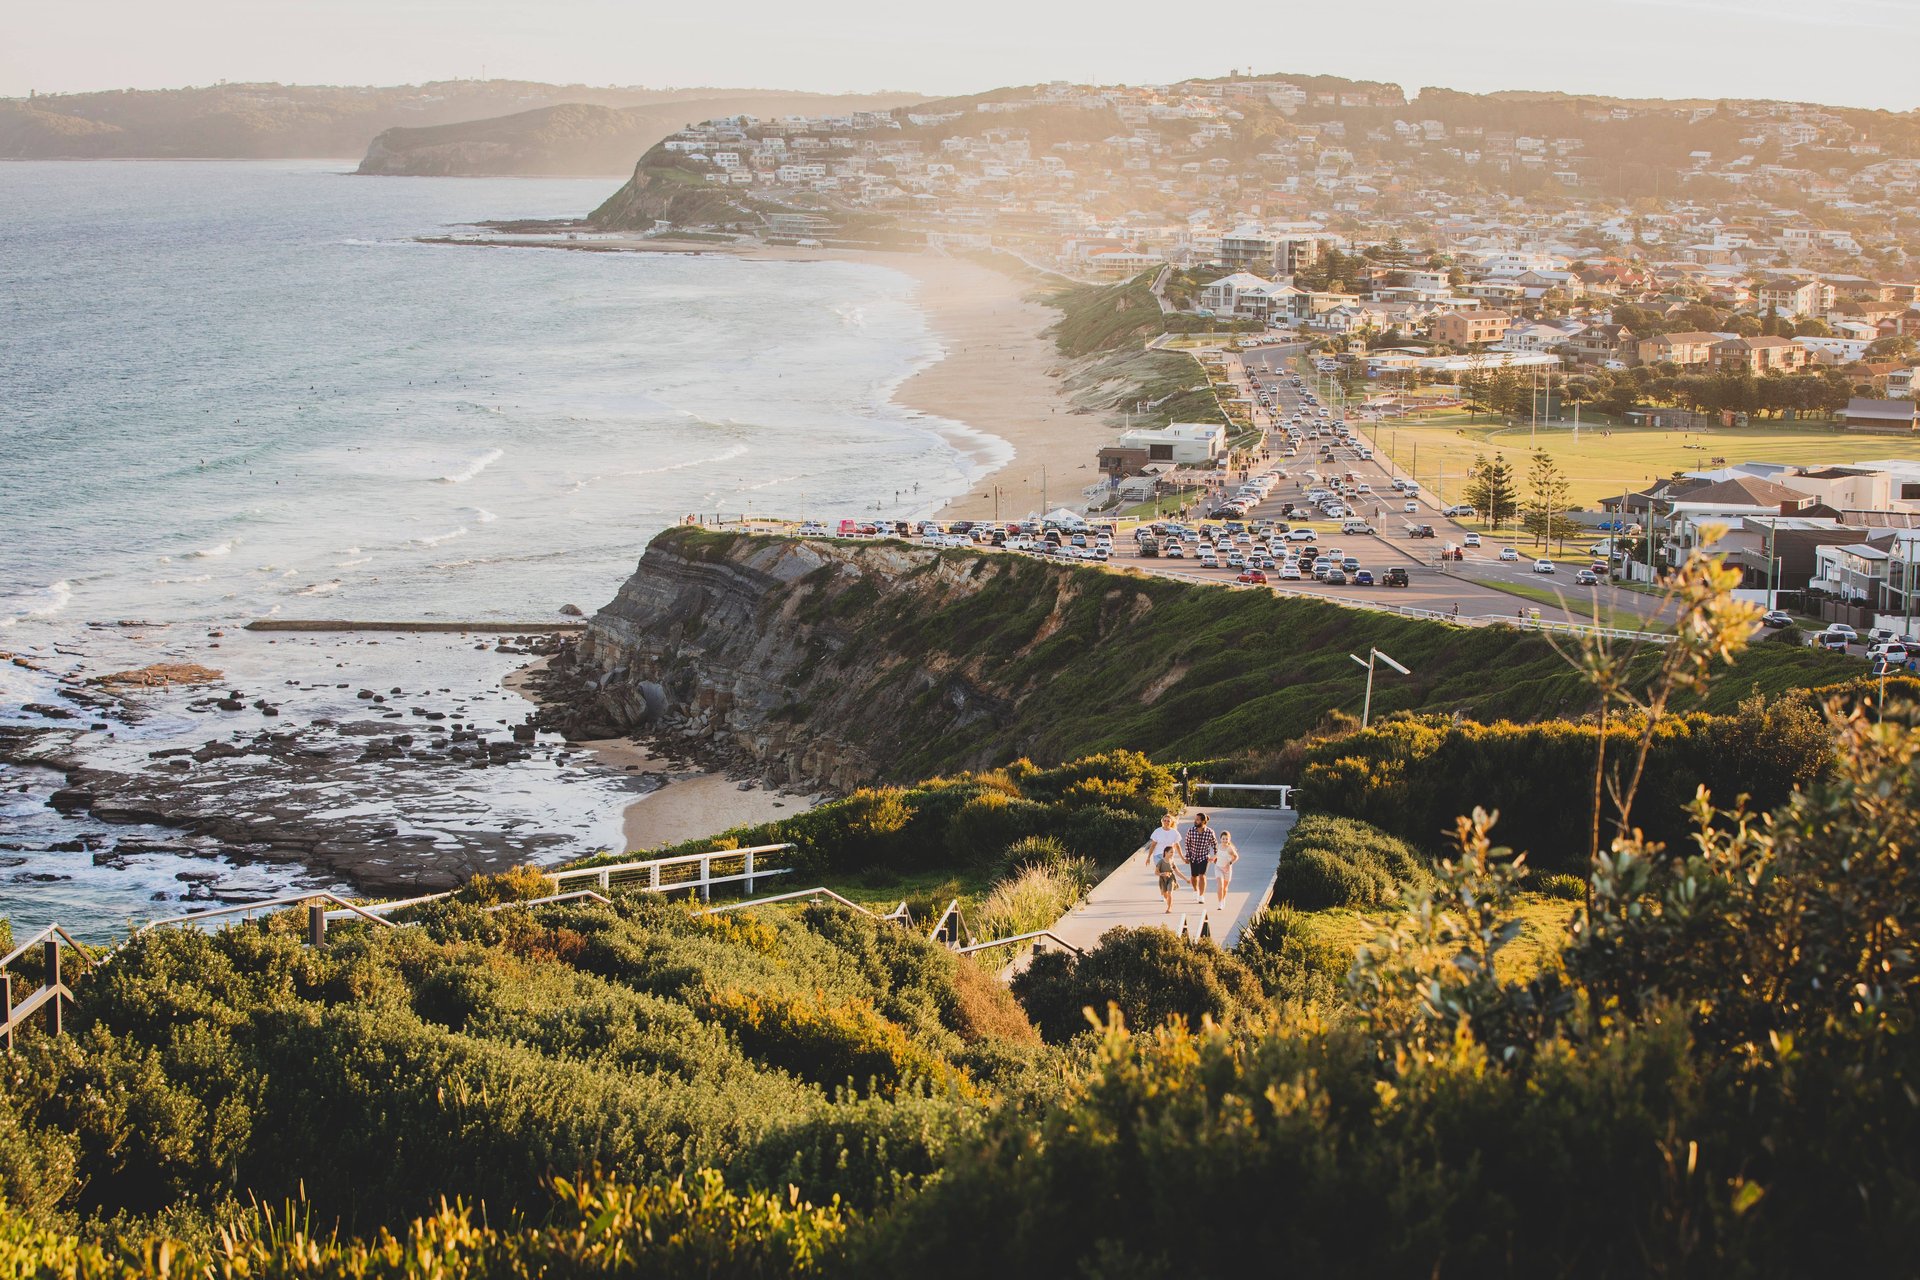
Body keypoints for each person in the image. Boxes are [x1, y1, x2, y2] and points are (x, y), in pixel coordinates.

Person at [1145, 814, 1184, 915]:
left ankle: (1165, 891)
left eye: (1168, 821)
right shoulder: (1157, 831)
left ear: (1171, 822)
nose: (1166, 822)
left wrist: (1182, 857)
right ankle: (1164, 892)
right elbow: (1153, 845)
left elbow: (1177, 846)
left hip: (1169, 857)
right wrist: (1148, 857)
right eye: (1165, 820)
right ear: (1162, 821)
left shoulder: (1174, 833)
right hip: (1158, 855)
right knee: (1163, 873)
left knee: (1167, 874)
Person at [1182, 813, 1219, 905]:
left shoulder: (1210, 832)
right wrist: (1187, 856)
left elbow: (1215, 844)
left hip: (1204, 856)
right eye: (1195, 819)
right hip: (1193, 856)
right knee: (1194, 876)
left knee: (1202, 875)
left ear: (1203, 821)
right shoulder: (1191, 831)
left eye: (1198, 819)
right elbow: (1187, 844)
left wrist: (1216, 856)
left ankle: (1201, 896)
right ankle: (1195, 890)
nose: (1195, 821)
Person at [1213, 830, 1241, 909]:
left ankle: (1223, 899)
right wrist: (1212, 859)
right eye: (1223, 839)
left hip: (1227, 870)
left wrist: (1229, 863)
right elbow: (1216, 855)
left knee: (1225, 888)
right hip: (1218, 867)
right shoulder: (1218, 846)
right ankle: (1220, 903)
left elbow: (1236, 857)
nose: (1225, 840)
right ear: (1220, 839)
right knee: (1220, 885)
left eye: (1226, 839)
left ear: (1229, 839)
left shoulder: (1230, 848)